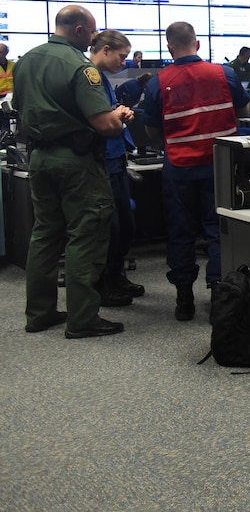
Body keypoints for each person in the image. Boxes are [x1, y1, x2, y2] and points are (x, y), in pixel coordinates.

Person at [13, 4, 133, 338]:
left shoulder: (25, 62)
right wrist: (120, 115)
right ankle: (82, 319)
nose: (94, 38)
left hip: (39, 159)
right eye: (92, 32)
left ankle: (39, 313)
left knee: (45, 236)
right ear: (80, 30)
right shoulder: (81, 68)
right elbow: (105, 125)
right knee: (87, 234)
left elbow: (19, 108)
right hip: (76, 162)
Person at [143, 22, 250, 322]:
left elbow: (151, 129)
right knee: (218, 231)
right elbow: (242, 111)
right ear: (198, 44)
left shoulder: (158, 82)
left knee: (180, 233)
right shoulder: (224, 73)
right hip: (220, 164)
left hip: (179, 168)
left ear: (170, 47)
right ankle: (220, 295)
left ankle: (184, 300)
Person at [88, 30, 144, 307]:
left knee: (126, 224)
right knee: (111, 226)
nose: (124, 62)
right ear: (107, 49)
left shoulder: (103, 79)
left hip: (116, 157)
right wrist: (117, 115)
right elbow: (95, 121)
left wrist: (120, 114)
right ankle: (104, 283)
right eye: (122, 56)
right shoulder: (87, 78)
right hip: (102, 160)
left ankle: (115, 275)